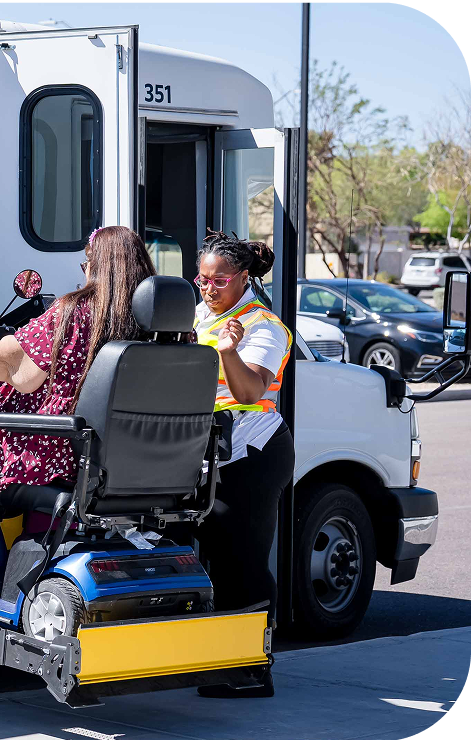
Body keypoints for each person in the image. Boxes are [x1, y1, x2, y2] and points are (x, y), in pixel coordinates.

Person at [0, 226, 156, 581]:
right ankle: (35, 545)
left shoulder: (76, 311)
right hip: (124, 463)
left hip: (55, 450)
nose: (83, 271)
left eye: (87, 263)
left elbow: (14, 367)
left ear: (98, 266)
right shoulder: (168, 327)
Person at [191, 230, 295, 700]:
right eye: (202, 279)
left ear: (244, 278)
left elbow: (251, 392)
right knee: (217, 557)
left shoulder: (263, 327)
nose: (208, 288)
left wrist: (229, 351)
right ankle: (220, 660)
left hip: (252, 455)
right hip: (212, 453)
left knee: (245, 562)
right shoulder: (201, 313)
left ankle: (253, 671)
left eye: (219, 281)